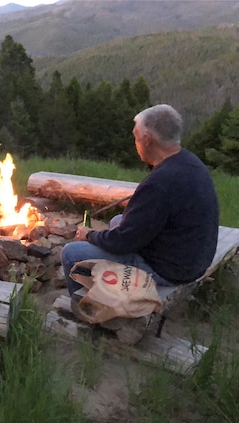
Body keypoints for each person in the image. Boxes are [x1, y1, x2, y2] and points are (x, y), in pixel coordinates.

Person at [61, 104, 219, 296]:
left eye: (136, 137)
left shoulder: (159, 183)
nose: (135, 143)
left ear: (147, 139)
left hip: (171, 270)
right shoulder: (188, 162)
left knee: (72, 253)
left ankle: (85, 307)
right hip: (192, 257)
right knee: (118, 221)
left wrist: (89, 235)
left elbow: (122, 243)